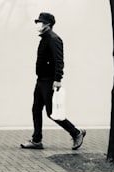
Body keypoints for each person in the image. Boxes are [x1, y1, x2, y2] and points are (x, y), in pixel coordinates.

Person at [21, 12, 85, 150]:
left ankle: (76, 133)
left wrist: (57, 79)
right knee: (36, 109)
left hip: (49, 81)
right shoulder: (45, 38)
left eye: (41, 22)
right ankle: (36, 140)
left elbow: (59, 60)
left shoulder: (53, 39)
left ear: (48, 24)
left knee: (52, 113)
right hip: (41, 80)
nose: (38, 24)